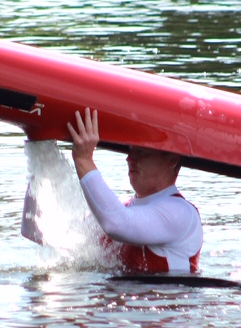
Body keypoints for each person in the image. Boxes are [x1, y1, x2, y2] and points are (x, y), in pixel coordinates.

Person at [66, 108, 203, 274]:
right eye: (130, 150)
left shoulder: (181, 213)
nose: (129, 158)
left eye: (141, 151)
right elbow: (40, 234)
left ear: (172, 158)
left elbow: (116, 224)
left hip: (166, 298)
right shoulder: (121, 209)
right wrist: (39, 147)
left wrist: (83, 159)